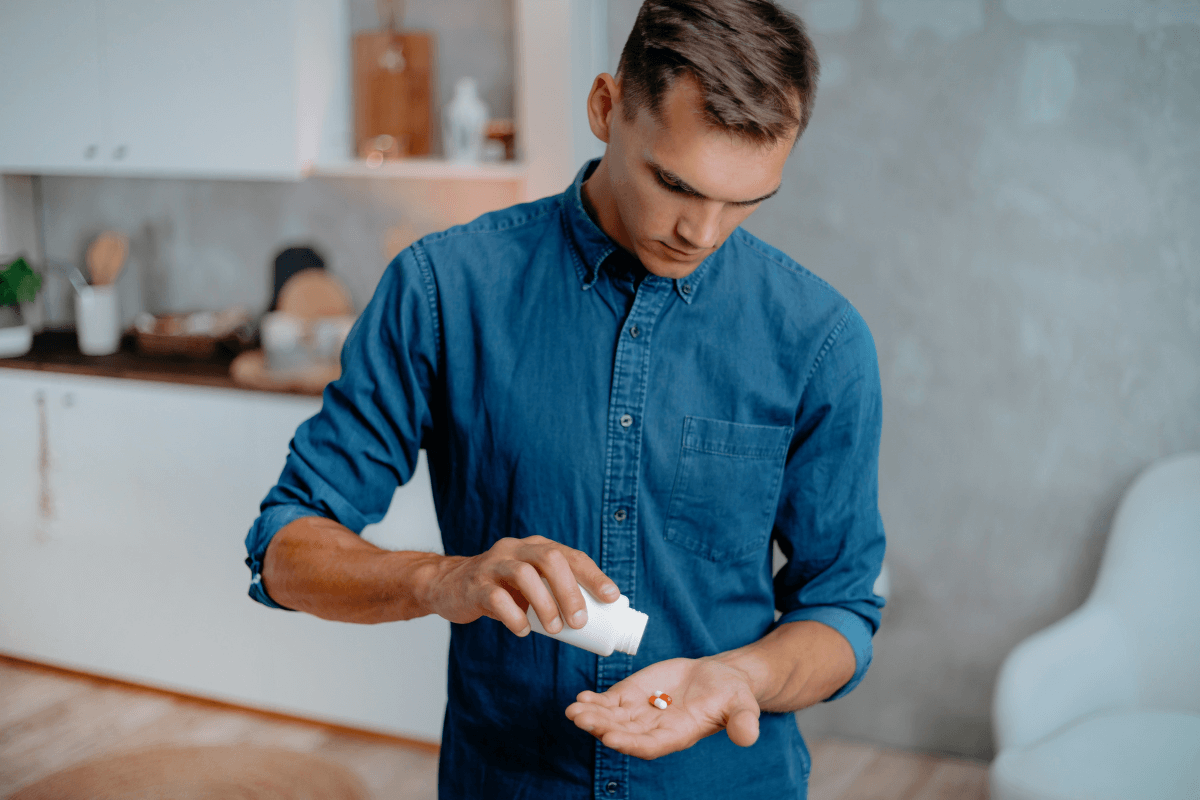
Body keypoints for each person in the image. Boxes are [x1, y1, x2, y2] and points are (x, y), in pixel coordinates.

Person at [244, 0, 885, 796]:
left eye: (746, 199)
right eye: (675, 183)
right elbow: (285, 547)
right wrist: (441, 579)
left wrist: (741, 678)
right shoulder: (444, 290)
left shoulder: (821, 340)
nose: (703, 233)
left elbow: (842, 610)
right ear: (606, 108)